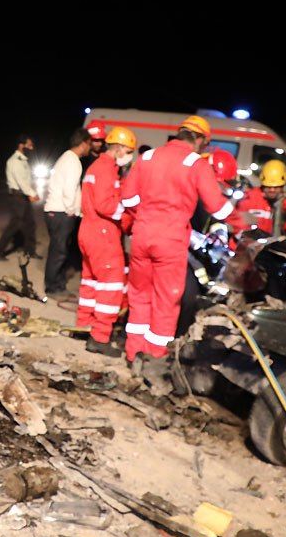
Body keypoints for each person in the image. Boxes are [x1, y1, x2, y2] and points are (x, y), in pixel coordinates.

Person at [120, 115, 234, 362]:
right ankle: (153, 358)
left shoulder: (148, 156)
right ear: (201, 139)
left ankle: (132, 352)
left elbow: (127, 199)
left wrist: (147, 215)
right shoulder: (196, 164)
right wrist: (237, 217)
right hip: (170, 241)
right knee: (165, 300)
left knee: (139, 295)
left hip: (141, 236)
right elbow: (217, 208)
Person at [78, 126, 137, 357]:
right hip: (102, 233)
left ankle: (84, 325)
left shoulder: (99, 166)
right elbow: (106, 205)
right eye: (129, 150)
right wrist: (128, 213)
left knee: (91, 281)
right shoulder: (105, 169)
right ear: (120, 148)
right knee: (111, 285)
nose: (130, 155)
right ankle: (100, 337)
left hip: (89, 231)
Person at [43, 129, 92, 298]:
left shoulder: (66, 158)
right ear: (84, 143)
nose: (90, 148)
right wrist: (72, 211)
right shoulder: (73, 162)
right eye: (90, 144)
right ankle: (52, 288)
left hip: (56, 211)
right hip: (61, 212)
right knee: (59, 252)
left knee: (58, 250)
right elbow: (69, 191)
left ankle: (57, 284)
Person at [0, 136, 40, 260]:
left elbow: (27, 179)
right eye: (29, 145)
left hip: (23, 196)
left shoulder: (23, 160)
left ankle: (30, 251)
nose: (32, 147)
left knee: (30, 224)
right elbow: (21, 181)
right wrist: (32, 194)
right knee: (15, 225)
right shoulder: (14, 161)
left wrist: (30, 192)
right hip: (17, 197)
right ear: (21, 145)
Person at [226, 159, 286, 236]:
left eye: (276, 187)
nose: (272, 190)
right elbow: (233, 223)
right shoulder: (249, 197)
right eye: (268, 186)